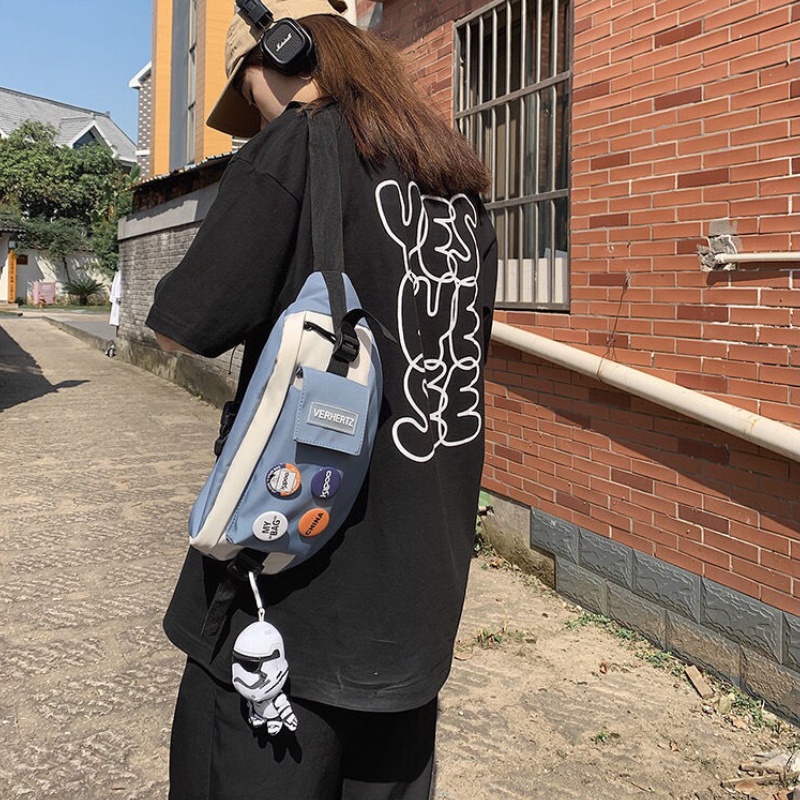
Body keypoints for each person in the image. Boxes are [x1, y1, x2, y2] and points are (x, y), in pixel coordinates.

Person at [145, 1, 497, 797]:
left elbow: (180, 325)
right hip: (420, 600)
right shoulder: (455, 178)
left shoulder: (299, 144)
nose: (258, 120)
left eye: (251, 96)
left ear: (281, 51)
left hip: (288, 605)